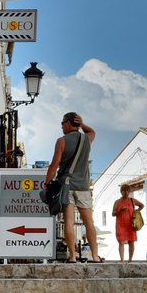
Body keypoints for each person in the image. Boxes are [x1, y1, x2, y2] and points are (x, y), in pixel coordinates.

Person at [47, 112, 100, 262]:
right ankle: (95, 256)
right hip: (83, 186)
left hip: (67, 186)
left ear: (68, 124)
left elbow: (54, 166)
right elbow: (92, 132)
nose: (62, 126)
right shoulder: (87, 139)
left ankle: (72, 256)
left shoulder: (62, 141)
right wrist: (82, 124)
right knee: (89, 222)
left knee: (69, 221)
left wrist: (46, 184)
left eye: (62, 123)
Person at [112, 183, 143, 262]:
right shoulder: (117, 202)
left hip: (130, 223)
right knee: (121, 241)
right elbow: (113, 214)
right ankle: (122, 260)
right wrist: (120, 211)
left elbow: (141, 205)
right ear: (121, 192)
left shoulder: (132, 200)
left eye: (127, 191)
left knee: (131, 241)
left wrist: (136, 212)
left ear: (130, 192)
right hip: (121, 224)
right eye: (124, 191)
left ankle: (130, 259)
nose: (126, 193)